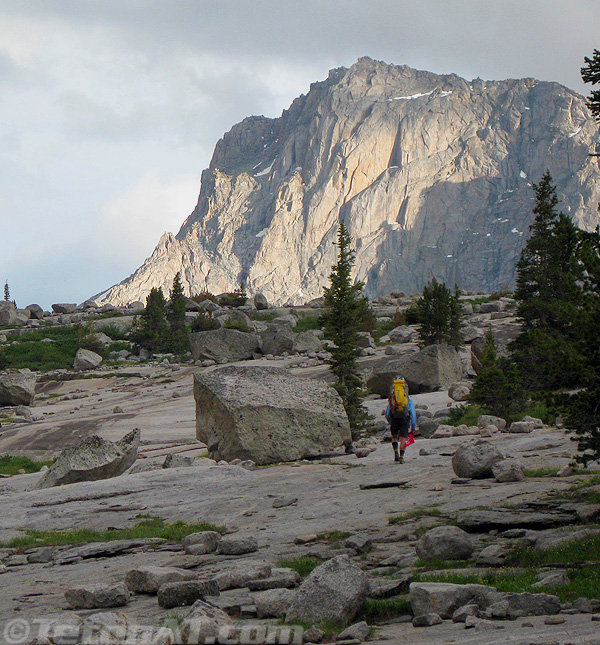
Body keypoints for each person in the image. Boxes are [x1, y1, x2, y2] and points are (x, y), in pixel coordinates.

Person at [384, 377, 417, 463]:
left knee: (395, 437)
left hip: (394, 418)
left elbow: (387, 412)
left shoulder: (392, 399)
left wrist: (390, 421)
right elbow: (413, 414)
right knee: (403, 438)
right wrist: (413, 427)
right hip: (404, 419)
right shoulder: (408, 400)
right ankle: (401, 457)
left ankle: (396, 452)